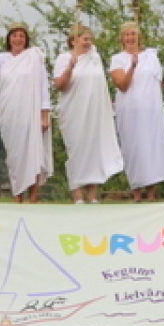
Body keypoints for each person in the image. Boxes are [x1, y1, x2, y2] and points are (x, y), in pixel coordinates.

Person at [0, 24, 52, 203]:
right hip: (9, 114)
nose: (17, 39)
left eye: (21, 36)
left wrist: (44, 114)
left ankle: (33, 197)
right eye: (14, 35)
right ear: (8, 38)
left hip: (30, 114)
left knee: (33, 154)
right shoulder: (2, 59)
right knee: (15, 155)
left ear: (26, 39)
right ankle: (17, 196)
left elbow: (43, 87)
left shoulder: (34, 57)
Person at [52, 25, 124, 204]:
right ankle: (77, 196)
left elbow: (101, 86)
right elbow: (60, 85)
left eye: (89, 39)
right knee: (76, 151)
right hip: (74, 113)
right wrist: (70, 67)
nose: (88, 42)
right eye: (84, 38)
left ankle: (92, 196)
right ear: (73, 40)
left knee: (94, 151)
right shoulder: (64, 58)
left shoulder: (95, 58)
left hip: (94, 113)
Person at [110, 21, 164, 200]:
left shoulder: (151, 56)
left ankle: (151, 192)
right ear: (122, 38)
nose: (130, 38)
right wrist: (132, 66)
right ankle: (137, 192)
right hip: (130, 111)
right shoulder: (118, 59)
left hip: (150, 110)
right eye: (127, 35)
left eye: (133, 34)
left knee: (151, 147)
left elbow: (158, 82)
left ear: (139, 36)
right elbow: (122, 85)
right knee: (134, 148)